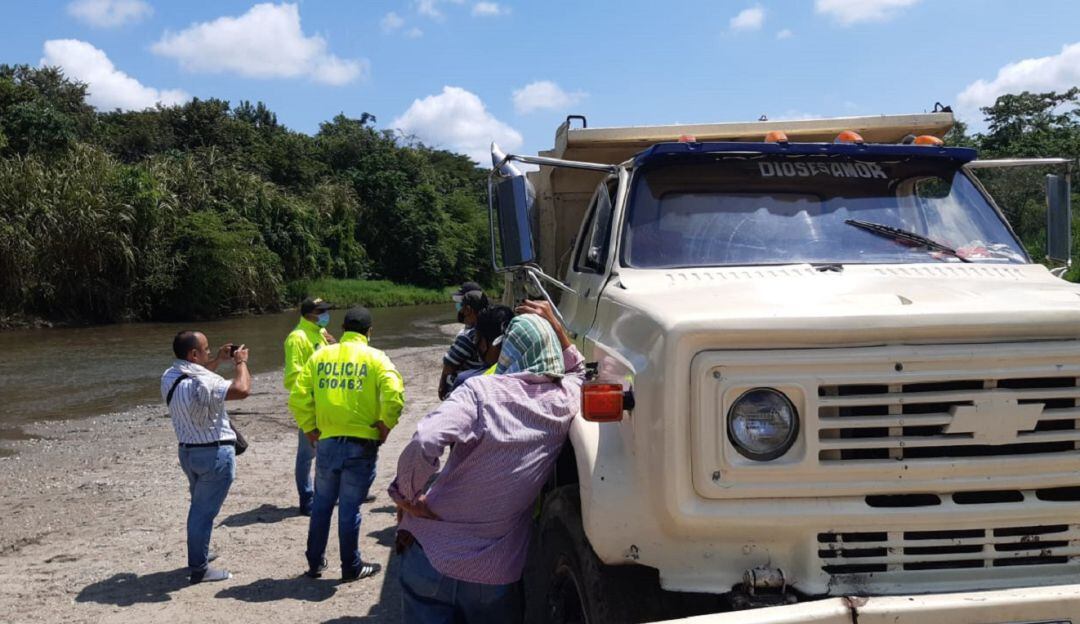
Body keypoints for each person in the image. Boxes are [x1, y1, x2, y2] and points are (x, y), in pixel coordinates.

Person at [389, 300, 584, 623]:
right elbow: (577, 371)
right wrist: (560, 332)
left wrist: (406, 497)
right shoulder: (563, 401)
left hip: (430, 556)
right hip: (494, 574)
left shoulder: (480, 391)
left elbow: (425, 440)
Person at [288, 307, 405, 581]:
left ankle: (315, 563)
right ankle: (350, 566)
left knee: (322, 505)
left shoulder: (321, 355)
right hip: (362, 443)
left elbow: (298, 395)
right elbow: (394, 393)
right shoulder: (376, 358)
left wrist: (309, 427)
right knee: (350, 508)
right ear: (369, 332)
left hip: (327, 441)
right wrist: (386, 424)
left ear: (342, 328)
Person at [161, 330, 251, 584]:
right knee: (202, 512)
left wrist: (218, 360)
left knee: (199, 507)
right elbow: (242, 389)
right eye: (207, 349)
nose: (210, 352)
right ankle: (199, 569)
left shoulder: (169, 376)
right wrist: (240, 362)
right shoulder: (204, 382)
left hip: (188, 453)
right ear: (194, 354)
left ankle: (199, 553)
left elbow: (197, 371)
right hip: (214, 455)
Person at [284, 297, 336, 516]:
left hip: (330, 402)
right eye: (321, 311)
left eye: (326, 310)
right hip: (312, 405)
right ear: (308, 314)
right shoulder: (297, 338)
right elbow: (294, 377)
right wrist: (309, 405)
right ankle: (307, 499)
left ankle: (330, 493)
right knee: (307, 455)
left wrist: (336, 346)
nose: (325, 314)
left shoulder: (321, 333)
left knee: (332, 450)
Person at [438, 282, 489, 400]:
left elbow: (449, 366)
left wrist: (442, 388)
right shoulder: (489, 326)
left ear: (468, 308)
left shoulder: (467, 336)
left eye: (461, 303)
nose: (459, 307)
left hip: (464, 390)